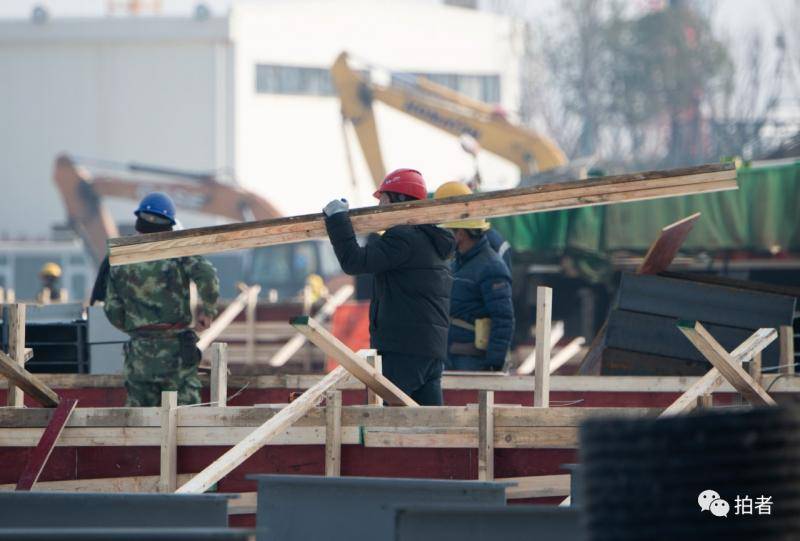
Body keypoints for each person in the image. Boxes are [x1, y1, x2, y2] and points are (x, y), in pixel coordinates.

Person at [322, 169, 455, 406]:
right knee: (429, 425)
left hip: (403, 349)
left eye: (383, 199)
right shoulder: (432, 241)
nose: (378, 206)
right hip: (430, 350)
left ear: (400, 200)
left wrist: (337, 219)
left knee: (388, 423)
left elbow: (354, 262)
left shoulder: (403, 238)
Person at [103, 192, 219, 406]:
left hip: (139, 353)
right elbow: (208, 277)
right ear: (169, 226)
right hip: (175, 351)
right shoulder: (179, 252)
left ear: (139, 223)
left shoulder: (121, 257)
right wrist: (208, 311)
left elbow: (111, 308)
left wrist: (137, 328)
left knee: (140, 420)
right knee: (186, 415)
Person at [434, 181, 514, 372]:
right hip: (452, 356)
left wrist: (493, 364)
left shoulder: (492, 267)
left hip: (472, 361)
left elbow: (503, 319)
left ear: (460, 233)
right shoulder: (457, 263)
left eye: (448, 231)